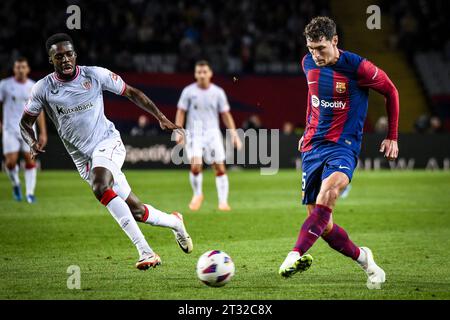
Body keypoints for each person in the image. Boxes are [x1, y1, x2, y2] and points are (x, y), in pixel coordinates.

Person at [20, 33, 192, 270]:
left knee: (100, 186)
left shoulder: (95, 74)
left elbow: (131, 92)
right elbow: (25, 122)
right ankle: (176, 222)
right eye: (59, 56)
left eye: (69, 54)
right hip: (82, 158)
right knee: (138, 211)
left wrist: (160, 118)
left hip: (108, 142)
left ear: (75, 55)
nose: (66, 59)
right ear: (51, 59)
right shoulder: (43, 88)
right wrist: (31, 142)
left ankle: (146, 252)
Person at [279, 17, 399, 289]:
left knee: (329, 193)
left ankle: (294, 254)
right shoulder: (307, 63)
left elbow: (391, 91)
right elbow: (314, 99)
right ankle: (365, 259)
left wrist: (392, 136)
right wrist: (307, 129)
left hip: (343, 146)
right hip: (313, 147)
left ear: (334, 41)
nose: (315, 55)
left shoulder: (358, 67)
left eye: (320, 48)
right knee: (323, 225)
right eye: (310, 48)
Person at [175, 60, 242, 212]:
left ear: (210, 74)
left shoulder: (217, 92)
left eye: (205, 72)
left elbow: (225, 114)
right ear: (195, 74)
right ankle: (197, 195)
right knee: (196, 164)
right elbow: (181, 111)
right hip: (194, 133)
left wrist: (234, 134)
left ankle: (223, 202)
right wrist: (179, 131)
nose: (202, 75)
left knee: (219, 167)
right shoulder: (189, 92)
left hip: (213, 133)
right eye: (199, 72)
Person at [0, 57, 47, 203]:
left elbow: (39, 111)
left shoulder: (34, 87)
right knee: (10, 163)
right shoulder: (4, 85)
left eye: (23, 67)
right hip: (9, 129)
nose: (20, 69)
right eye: (18, 67)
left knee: (30, 160)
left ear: (27, 69)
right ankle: (16, 184)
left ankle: (30, 194)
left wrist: (43, 132)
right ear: (14, 69)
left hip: (28, 130)